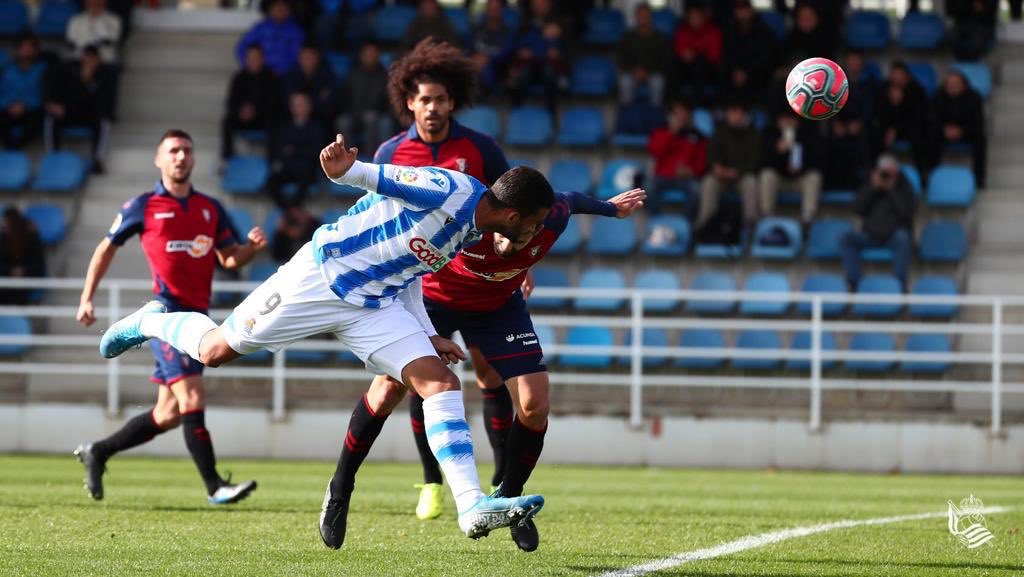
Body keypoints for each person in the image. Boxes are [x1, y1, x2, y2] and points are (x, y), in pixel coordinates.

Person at [97, 134, 551, 549]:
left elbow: (411, 272)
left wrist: (428, 333)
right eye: (536, 224)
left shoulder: (471, 229)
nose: (536, 234)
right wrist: (344, 171)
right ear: (514, 215)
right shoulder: (452, 189)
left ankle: (470, 505)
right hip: (319, 279)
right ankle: (151, 321)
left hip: (376, 304)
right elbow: (383, 179)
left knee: (441, 384)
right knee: (215, 350)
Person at [340, 186, 645, 553]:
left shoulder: (554, 217)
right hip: (436, 302)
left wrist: (610, 209)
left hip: (499, 307)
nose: (513, 241)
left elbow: (572, 200)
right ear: (503, 216)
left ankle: (510, 501)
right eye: (508, 231)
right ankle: (340, 488)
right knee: (388, 389)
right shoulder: (468, 217)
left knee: (535, 405)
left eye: (528, 233)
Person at [74, 129, 266, 505]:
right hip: (165, 317)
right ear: (159, 159)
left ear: (193, 159)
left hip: (199, 318)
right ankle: (215, 486)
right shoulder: (142, 206)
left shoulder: (210, 208)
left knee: (168, 414)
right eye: (173, 151)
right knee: (192, 395)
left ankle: (98, 451)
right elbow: (105, 248)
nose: (180, 156)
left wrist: (251, 249)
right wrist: (87, 298)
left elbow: (228, 258)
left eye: (186, 151)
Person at [373, 38, 516, 525]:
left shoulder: (480, 148)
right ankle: (433, 482)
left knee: (489, 377)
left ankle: (500, 482)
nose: (432, 108)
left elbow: (512, 209)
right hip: (423, 290)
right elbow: (378, 220)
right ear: (409, 102)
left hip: (479, 283)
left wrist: (522, 261)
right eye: (423, 99)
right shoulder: (392, 152)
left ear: (452, 101)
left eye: (440, 99)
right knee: (424, 384)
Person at [840, 154, 916, 291]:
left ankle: (899, 285)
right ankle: (854, 283)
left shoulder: (905, 186)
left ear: (896, 171)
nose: (886, 175)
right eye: (883, 171)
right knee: (847, 238)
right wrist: (873, 189)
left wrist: (891, 190)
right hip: (870, 234)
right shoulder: (870, 184)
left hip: (894, 235)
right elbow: (857, 209)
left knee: (904, 238)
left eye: (889, 171)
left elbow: (906, 213)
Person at [44, 47, 116, 174]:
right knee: (51, 119)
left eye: (93, 58)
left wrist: (88, 82)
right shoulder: (70, 71)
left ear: (98, 60)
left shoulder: (106, 75)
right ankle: (53, 157)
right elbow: (66, 97)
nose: (89, 61)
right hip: (70, 112)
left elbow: (103, 103)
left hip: (91, 114)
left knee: (103, 122)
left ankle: (97, 160)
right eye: (86, 57)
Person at [696, 99, 759, 235]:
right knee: (709, 182)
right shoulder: (720, 131)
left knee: (751, 182)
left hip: (742, 175)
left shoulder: (752, 133)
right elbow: (711, 154)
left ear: (743, 115)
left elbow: (755, 160)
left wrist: (738, 172)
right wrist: (717, 168)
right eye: (730, 112)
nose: (733, 115)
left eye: (736, 112)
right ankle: (705, 223)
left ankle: (750, 224)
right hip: (722, 175)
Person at [758, 109, 823, 227]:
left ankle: (807, 220)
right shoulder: (770, 134)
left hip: (800, 180)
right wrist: (777, 152)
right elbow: (762, 163)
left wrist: (801, 167)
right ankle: (767, 216)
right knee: (767, 175)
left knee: (814, 177)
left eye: (791, 119)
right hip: (780, 180)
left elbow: (817, 162)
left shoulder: (807, 135)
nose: (787, 123)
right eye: (784, 119)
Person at [221, 45, 281, 163]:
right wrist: (241, 111)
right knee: (227, 121)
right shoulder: (239, 78)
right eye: (251, 58)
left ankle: (272, 161)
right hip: (242, 118)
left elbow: (274, 103)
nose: (254, 61)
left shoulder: (271, 78)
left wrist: (255, 111)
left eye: (257, 57)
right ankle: (227, 159)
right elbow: (231, 102)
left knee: (275, 122)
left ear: (262, 59)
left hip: (262, 119)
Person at [267, 91, 327, 208]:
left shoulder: (317, 128)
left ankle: (293, 209)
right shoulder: (285, 128)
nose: (299, 108)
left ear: (309, 107)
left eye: (302, 104)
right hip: (288, 168)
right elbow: (279, 150)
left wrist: (294, 151)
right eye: (296, 105)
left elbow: (317, 152)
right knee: (271, 181)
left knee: (305, 179)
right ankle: (287, 209)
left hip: (307, 169)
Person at [647, 99, 706, 214]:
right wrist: (672, 133)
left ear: (689, 115)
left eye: (684, 113)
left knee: (696, 190)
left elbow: (702, 160)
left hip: (687, 178)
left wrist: (692, 172)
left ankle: (687, 225)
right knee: (647, 188)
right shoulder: (660, 131)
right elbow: (656, 152)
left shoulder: (698, 136)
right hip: (662, 176)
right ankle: (656, 219)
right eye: (677, 114)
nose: (680, 117)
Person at [931, 70, 986, 188]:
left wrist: (962, 130)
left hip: (966, 132)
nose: (952, 86)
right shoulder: (938, 96)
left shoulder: (974, 97)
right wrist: (944, 130)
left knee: (980, 138)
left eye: (956, 84)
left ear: (964, 85)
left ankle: (979, 178)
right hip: (943, 132)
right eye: (949, 84)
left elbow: (978, 122)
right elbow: (932, 119)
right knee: (929, 135)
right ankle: (933, 176)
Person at [336, 42, 391, 156]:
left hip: (376, 114)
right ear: (361, 56)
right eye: (367, 54)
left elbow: (388, 101)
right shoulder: (353, 75)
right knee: (342, 121)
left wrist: (377, 110)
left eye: (372, 54)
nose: (369, 57)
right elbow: (344, 97)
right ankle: (347, 157)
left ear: (377, 56)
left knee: (371, 118)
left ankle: (371, 156)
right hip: (354, 113)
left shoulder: (385, 76)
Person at [617, 3, 671, 106]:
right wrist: (634, 70)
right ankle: (628, 112)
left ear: (650, 17)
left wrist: (648, 72)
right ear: (636, 17)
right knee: (625, 81)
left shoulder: (660, 37)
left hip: (653, 73)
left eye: (646, 16)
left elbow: (664, 60)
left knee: (658, 82)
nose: (643, 18)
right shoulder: (627, 36)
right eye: (640, 15)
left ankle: (655, 113)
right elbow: (621, 59)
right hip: (633, 72)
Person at [0, 35, 48, 149]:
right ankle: (11, 149)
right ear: (18, 49)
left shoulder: (43, 69)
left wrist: (25, 105)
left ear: (35, 51)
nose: (27, 51)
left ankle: (13, 149)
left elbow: (45, 93)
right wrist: (9, 105)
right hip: (8, 108)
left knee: (38, 119)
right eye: (24, 48)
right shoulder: (6, 68)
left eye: (30, 48)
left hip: (32, 109)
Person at [235, 0, 305, 76]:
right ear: (269, 10)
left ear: (289, 10)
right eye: (276, 8)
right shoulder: (259, 29)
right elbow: (242, 48)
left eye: (283, 8)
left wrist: (282, 70)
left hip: (286, 75)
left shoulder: (296, 31)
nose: (280, 11)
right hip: (261, 74)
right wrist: (250, 66)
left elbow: (297, 55)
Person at [0, 207, 46, 305]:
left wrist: (23, 271)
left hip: (27, 280)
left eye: (7, 222)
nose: (3, 225)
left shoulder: (32, 239)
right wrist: (10, 271)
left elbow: (38, 266)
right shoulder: (3, 240)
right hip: (6, 281)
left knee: (19, 290)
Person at [66, 0, 123, 64]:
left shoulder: (114, 19)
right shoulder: (75, 20)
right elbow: (71, 42)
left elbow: (110, 41)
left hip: (105, 61)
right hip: (80, 60)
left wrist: (98, 18)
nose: (95, 2)